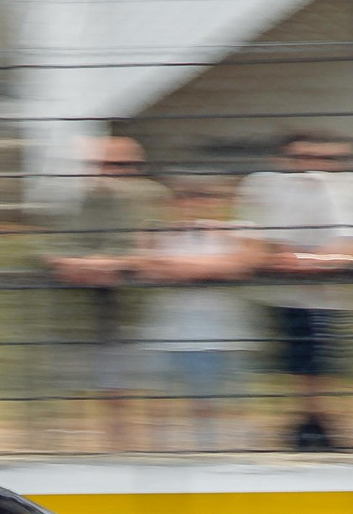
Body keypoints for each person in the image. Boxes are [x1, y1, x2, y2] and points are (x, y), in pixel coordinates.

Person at [234, 130, 353, 451]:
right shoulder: (264, 186)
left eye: (330, 159)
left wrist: (305, 259)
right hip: (285, 297)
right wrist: (314, 259)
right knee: (290, 371)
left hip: (346, 302)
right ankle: (302, 428)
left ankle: (343, 432)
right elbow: (251, 243)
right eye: (304, 159)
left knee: (346, 373)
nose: (317, 168)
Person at [44, 136, 168, 451]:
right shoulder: (77, 200)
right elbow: (56, 254)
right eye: (108, 165)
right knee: (82, 391)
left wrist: (104, 264)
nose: (116, 172)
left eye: (125, 165)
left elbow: (154, 254)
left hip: (142, 312)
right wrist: (110, 264)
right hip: (83, 314)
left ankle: (142, 450)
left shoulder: (154, 198)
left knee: (147, 390)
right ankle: (89, 451)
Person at [132, 177, 258, 450]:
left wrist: (181, 268)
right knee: (159, 404)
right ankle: (160, 455)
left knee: (213, 404)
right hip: (167, 334)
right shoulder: (158, 232)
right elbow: (146, 264)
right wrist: (211, 267)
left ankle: (213, 452)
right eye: (187, 197)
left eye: (206, 196)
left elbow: (243, 263)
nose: (197, 203)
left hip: (220, 336)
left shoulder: (239, 230)